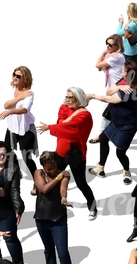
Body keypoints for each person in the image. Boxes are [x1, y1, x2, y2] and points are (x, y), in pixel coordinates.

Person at [37, 87, 97, 220]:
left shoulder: (85, 115)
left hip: (76, 153)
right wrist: (58, 126)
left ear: (79, 98)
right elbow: (61, 123)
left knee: (81, 184)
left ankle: (92, 207)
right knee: (52, 180)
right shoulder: (64, 107)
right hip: (61, 151)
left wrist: (51, 127)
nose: (68, 100)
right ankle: (49, 206)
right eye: (67, 97)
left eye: (72, 98)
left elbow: (71, 130)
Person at [88, 60, 137, 185]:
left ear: (128, 73)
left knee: (120, 152)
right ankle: (100, 168)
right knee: (103, 139)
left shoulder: (129, 89)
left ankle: (127, 172)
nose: (121, 71)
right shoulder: (123, 83)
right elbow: (108, 91)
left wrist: (92, 96)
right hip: (116, 122)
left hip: (127, 125)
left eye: (123, 69)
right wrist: (119, 86)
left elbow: (108, 98)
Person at [34, 151, 77, 264]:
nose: (51, 171)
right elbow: (44, 189)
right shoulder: (38, 173)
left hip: (58, 219)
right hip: (41, 218)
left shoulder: (64, 175)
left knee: (63, 254)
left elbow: (62, 189)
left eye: (54, 168)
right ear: (43, 167)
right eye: (48, 169)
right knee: (48, 250)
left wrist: (64, 198)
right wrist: (57, 177)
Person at [0, 66, 38, 177]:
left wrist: (10, 112)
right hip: (12, 128)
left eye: (18, 76)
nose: (15, 78)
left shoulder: (30, 93)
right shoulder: (11, 90)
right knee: (6, 151)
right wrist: (20, 97)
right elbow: (6, 105)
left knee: (26, 157)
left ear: (25, 78)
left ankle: (37, 180)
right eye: (14, 75)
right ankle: (17, 169)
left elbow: (25, 109)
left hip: (25, 128)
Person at [88, 34, 126, 144]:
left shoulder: (117, 57)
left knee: (107, 113)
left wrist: (104, 53)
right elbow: (100, 68)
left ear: (117, 45)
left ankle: (101, 135)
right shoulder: (110, 55)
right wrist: (106, 54)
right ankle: (108, 134)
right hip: (111, 89)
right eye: (106, 43)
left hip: (117, 89)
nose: (107, 46)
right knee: (111, 113)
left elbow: (97, 65)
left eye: (110, 45)